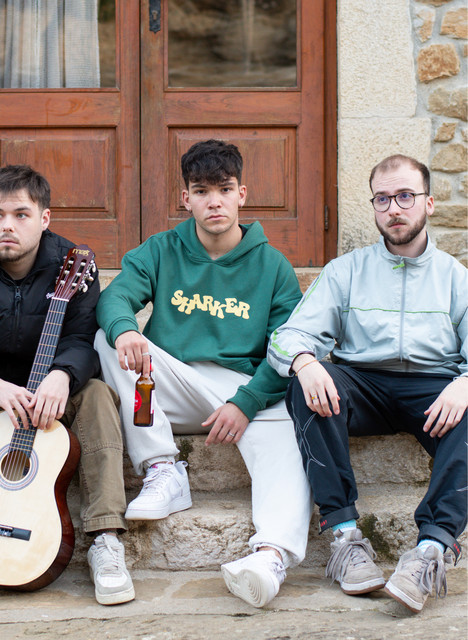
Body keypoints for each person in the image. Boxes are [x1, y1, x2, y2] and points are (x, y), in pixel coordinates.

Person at [95, 139, 312, 608]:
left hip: (239, 388)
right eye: (202, 191)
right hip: (168, 385)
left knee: (286, 437)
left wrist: (247, 402)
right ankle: (162, 468)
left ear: (242, 194)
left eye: (224, 189)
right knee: (106, 339)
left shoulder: (273, 266)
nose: (214, 201)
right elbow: (115, 297)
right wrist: (125, 329)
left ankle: (270, 558)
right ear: (186, 198)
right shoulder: (162, 249)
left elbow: (287, 345)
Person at [268, 154, 467, 613]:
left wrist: (466, 382)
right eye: (382, 199)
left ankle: (431, 550)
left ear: (429, 203)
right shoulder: (346, 270)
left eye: (405, 196)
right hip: (363, 385)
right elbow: (287, 337)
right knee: (306, 383)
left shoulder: (456, 278)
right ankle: (344, 538)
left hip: (434, 391)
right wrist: (304, 361)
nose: (394, 209)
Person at [0, 165, 133, 605]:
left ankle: (104, 538)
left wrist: (62, 374)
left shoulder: (74, 265)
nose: (7, 226)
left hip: (48, 401)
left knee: (98, 395)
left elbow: (84, 338)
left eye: (21, 214)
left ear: (45, 218)